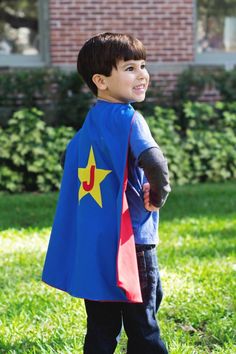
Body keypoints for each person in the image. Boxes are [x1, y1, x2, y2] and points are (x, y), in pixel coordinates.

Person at [42, 32, 171, 354]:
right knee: (144, 323)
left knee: (101, 326)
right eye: (129, 68)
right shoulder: (130, 119)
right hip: (133, 244)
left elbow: (74, 167)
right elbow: (155, 164)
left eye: (143, 65)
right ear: (101, 80)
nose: (142, 74)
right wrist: (157, 195)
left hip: (97, 244)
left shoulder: (90, 123)